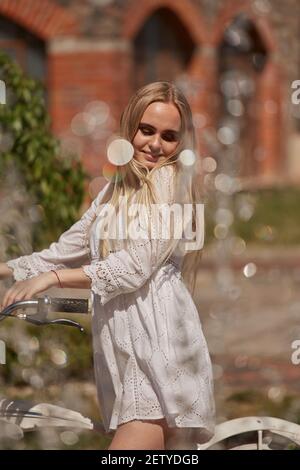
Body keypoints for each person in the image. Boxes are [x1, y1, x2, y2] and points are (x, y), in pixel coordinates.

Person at [0, 81, 215, 450]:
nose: (155, 144)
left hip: (161, 357)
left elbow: (135, 266)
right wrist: (8, 270)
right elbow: (63, 251)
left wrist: (51, 280)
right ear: (130, 126)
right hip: (126, 352)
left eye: (169, 136)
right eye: (146, 130)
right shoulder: (116, 189)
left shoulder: (174, 183)